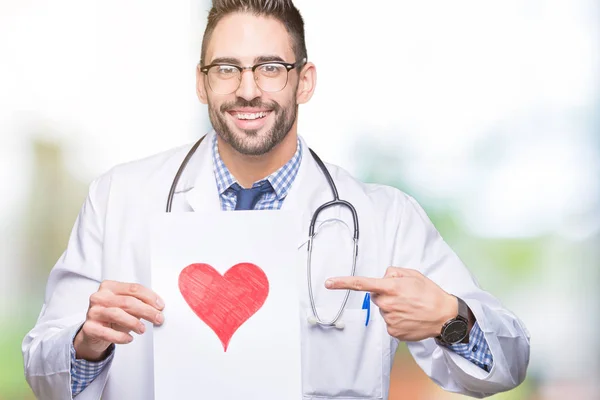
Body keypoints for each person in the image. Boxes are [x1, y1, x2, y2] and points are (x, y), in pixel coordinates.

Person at [22, 0, 530, 399]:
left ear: (303, 82)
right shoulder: (119, 199)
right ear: (202, 83)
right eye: (226, 68)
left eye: (270, 68)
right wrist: (87, 344)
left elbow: (509, 363)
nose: (248, 90)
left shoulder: (383, 218)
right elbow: (42, 369)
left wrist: (450, 318)